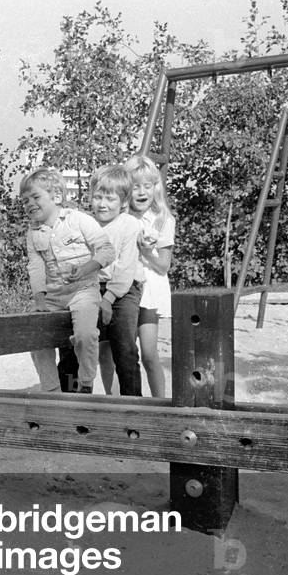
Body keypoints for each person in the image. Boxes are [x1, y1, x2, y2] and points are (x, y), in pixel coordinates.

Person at [21, 167, 115, 394]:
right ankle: (52, 390)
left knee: (85, 335)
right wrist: (40, 299)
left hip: (83, 291)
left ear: (57, 197)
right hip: (53, 295)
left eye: (35, 197)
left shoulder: (79, 220)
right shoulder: (33, 233)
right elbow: (36, 267)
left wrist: (86, 269)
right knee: (36, 338)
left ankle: (85, 382)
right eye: (25, 201)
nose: (29, 204)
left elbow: (106, 250)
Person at [89, 164, 144, 397]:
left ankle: (134, 404)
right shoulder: (86, 223)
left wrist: (108, 299)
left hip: (123, 290)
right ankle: (76, 400)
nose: (102, 204)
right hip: (91, 287)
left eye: (109, 199)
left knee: (125, 349)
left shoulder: (129, 225)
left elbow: (125, 268)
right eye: (97, 197)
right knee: (77, 344)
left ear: (123, 202)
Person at [124, 154, 176, 397]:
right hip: (124, 287)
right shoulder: (121, 218)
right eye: (135, 186)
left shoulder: (163, 219)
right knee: (122, 353)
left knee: (148, 353)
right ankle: (124, 404)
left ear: (156, 187)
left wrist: (146, 252)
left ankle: (160, 403)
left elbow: (164, 265)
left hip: (150, 288)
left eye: (148, 185)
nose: (142, 192)